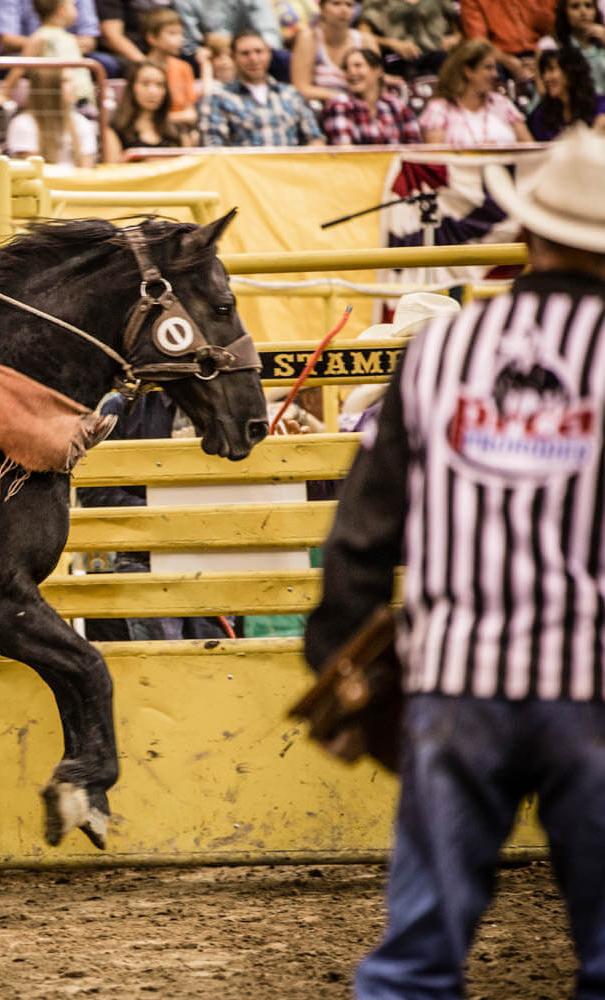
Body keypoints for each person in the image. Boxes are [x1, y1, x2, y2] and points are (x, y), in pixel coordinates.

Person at [305, 124, 605, 1000]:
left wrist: (337, 660)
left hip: (455, 678)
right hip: (590, 680)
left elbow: (364, 527)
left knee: (418, 951)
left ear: (530, 232)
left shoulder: (440, 351)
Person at [200, 29, 326, 145]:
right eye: (245, 54)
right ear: (233, 58)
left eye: (259, 52)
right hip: (241, 169)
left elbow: (315, 138)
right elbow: (213, 149)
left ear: (269, 54)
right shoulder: (218, 98)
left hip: (290, 168)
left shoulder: (290, 94)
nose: (253, 59)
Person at [419, 37, 533, 145]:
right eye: (488, 68)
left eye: (495, 68)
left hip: (506, 165)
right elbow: (436, 161)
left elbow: (531, 149)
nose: (495, 74)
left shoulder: (503, 103)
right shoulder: (439, 109)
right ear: (468, 71)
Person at [320, 46, 423, 143]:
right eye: (346, 68)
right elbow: (345, 152)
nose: (351, 72)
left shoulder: (396, 105)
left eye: (357, 66)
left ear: (377, 70)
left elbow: (414, 147)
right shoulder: (340, 104)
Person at [4, 66, 98, 164]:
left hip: (75, 179)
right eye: (66, 81)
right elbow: (30, 171)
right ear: (48, 86)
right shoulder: (23, 124)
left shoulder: (81, 123)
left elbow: (86, 171)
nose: (74, 86)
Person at [104, 58, 189, 159]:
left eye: (160, 85)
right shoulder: (115, 131)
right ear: (132, 88)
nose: (153, 91)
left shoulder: (177, 132)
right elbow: (112, 171)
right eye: (145, 83)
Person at [458, 0, 554, 86]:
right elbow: (479, 43)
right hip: (500, 58)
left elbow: (554, 26)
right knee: (486, 67)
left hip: (540, 52)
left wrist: (539, 59)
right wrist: (511, 64)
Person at [290, 0, 369, 102]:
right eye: (336, 3)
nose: (344, 10)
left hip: (358, 110)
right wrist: (342, 99)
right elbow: (301, 88)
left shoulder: (365, 40)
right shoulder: (309, 37)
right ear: (322, 9)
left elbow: (375, 85)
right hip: (318, 110)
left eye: (349, 5)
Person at [359, 0, 458, 78]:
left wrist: (454, 38)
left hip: (437, 56)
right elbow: (362, 35)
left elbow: (458, 31)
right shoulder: (377, 2)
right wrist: (391, 43)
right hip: (398, 59)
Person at [528, 44, 605, 138]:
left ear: (570, 72)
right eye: (543, 72)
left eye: (551, 70)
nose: (545, 78)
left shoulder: (600, 104)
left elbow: (597, 133)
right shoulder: (541, 114)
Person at [139, 7, 198, 128]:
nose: (180, 39)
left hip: (180, 132)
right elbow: (143, 117)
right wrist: (178, 118)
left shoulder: (184, 68)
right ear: (152, 38)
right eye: (172, 33)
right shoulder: (140, 69)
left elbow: (191, 114)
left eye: (181, 34)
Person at [557, 0, 605, 92]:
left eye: (588, 6)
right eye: (575, 6)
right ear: (565, 12)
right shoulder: (556, 46)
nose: (583, 12)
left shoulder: (603, 39)